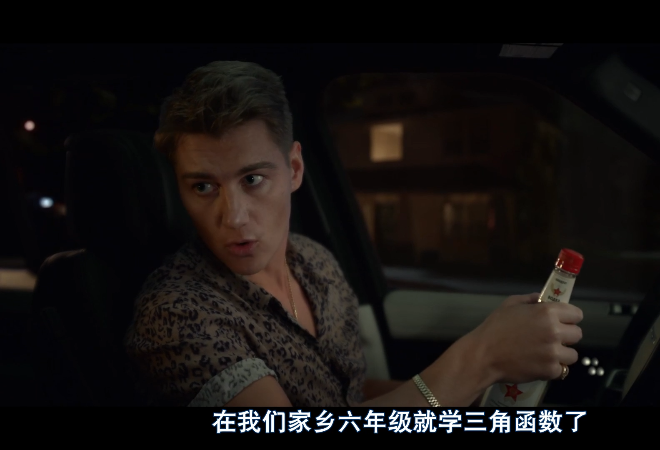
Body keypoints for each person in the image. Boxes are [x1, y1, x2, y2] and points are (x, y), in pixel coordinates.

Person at [124, 61, 584, 407]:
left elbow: (344, 398)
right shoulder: (178, 316)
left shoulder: (315, 262)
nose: (235, 217)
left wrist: (475, 388)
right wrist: (481, 358)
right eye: (203, 187)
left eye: (253, 179)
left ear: (295, 169)